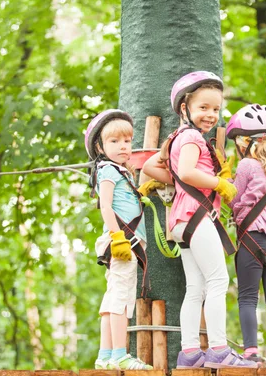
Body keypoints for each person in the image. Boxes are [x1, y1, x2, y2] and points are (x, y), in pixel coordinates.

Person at [142, 71, 256, 369]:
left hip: (182, 220)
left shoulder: (177, 137)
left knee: (196, 288)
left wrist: (176, 179)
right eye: (203, 107)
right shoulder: (192, 137)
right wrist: (218, 184)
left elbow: (154, 166)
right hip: (196, 215)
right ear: (184, 108)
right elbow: (190, 172)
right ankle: (218, 349)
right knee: (218, 280)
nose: (211, 114)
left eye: (216, 109)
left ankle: (190, 352)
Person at [225, 103, 266, 367]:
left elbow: (233, 198)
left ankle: (251, 352)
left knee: (248, 297)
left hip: (254, 239)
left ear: (244, 142)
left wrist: (224, 186)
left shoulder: (246, 166)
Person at [85, 109, 153, 371]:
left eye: (127, 140)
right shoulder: (108, 171)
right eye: (114, 141)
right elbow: (105, 206)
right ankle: (119, 354)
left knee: (112, 298)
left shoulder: (119, 171)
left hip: (124, 240)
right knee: (121, 300)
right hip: (122, 241)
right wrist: (118, 238)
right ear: (101, 147)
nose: (123, 146)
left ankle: (105, 355)